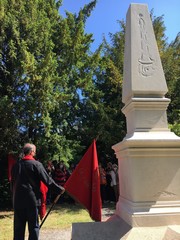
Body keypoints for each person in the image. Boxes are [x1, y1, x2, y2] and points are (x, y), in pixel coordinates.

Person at [11, 143, 65, 240]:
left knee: (18, 229)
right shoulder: (36, 164)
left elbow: (12, 184)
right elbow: (47, 180)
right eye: (34, 151)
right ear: (31, 152)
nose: (35, 153)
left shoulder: (16, 165)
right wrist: (59, 189)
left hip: (17, 201)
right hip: (32, 201)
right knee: (34, 228)